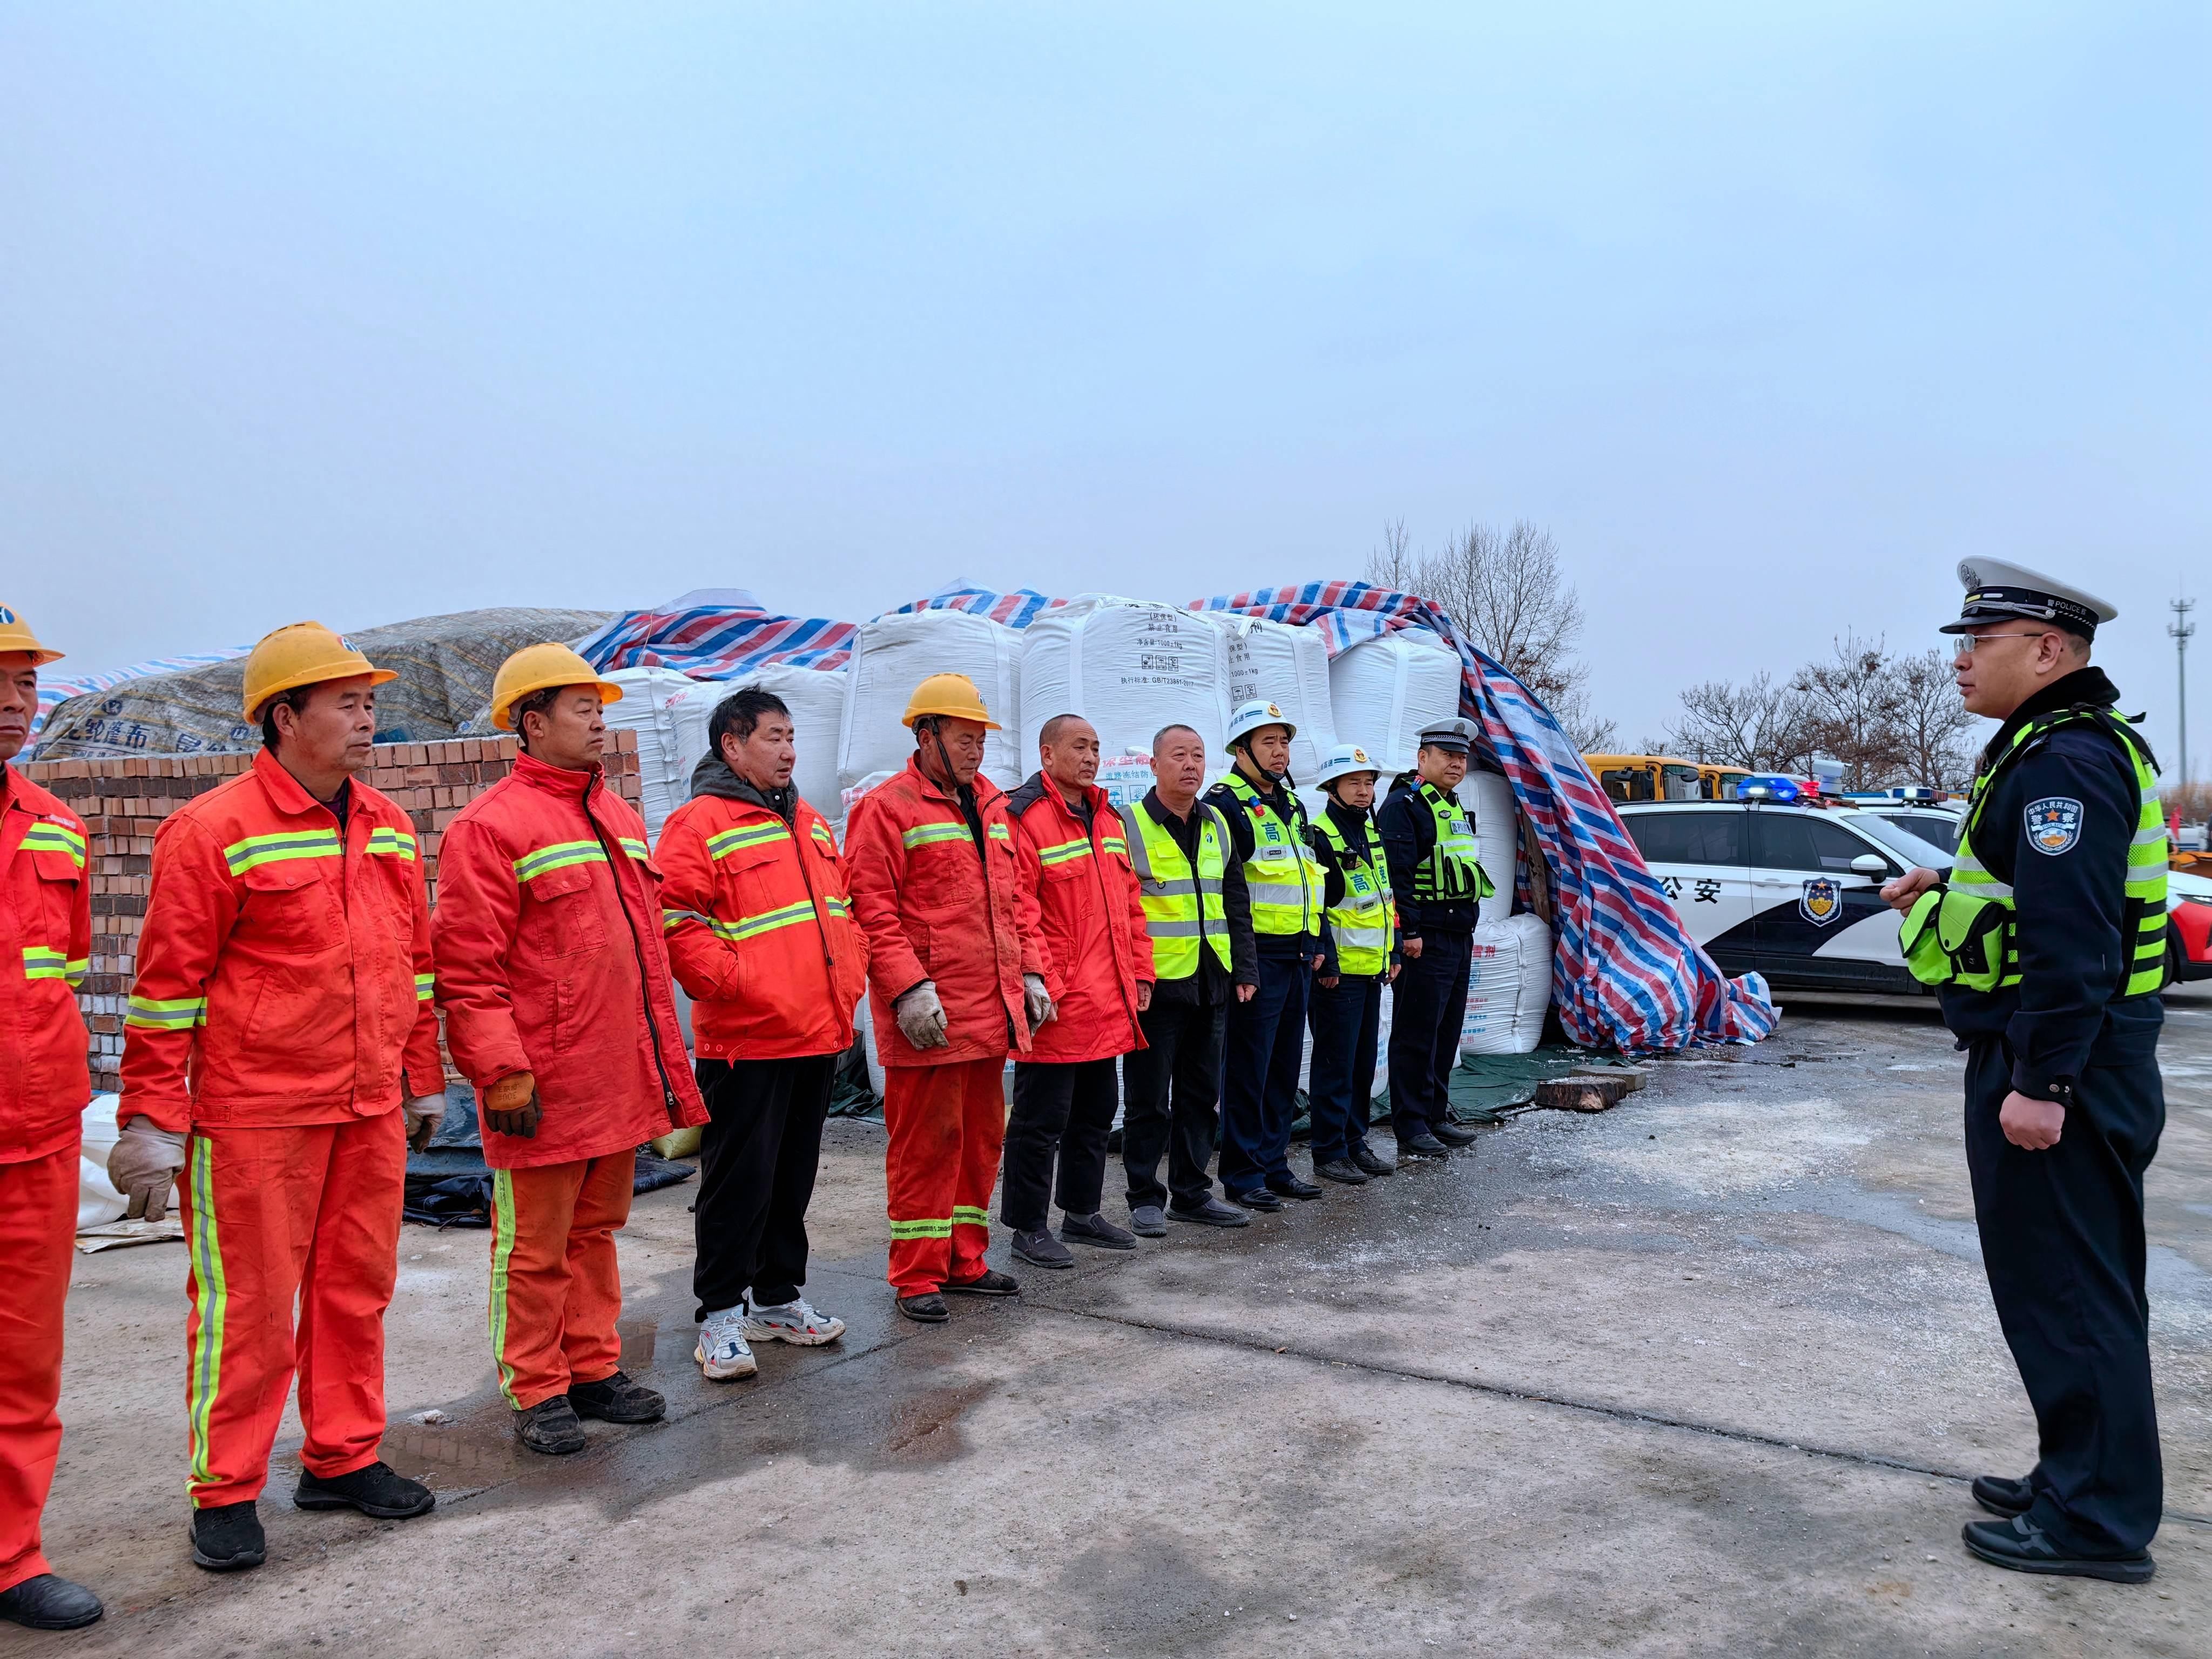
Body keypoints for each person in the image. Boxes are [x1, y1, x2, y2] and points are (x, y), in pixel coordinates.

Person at [118, 622, 447, 1573]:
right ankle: (224, 1490)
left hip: (367, 1107)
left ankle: (342, 1457)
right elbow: (166, 991)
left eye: (369, 702)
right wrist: (151, 1117)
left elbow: (413, 968)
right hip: (253, 1114)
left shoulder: (385, 823)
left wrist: (420, 1079)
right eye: (345, 703)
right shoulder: (212, 829)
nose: (366, 718)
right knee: (249, 1309)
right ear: (283, 716)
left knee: (355, 1293)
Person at [1882, 560, 2169, 1583]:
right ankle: (2072, 1472)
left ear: (2047, 651)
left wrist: (2042, 1085)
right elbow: (2026, 897)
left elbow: (2074, 942)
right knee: (2060, 1284)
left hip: (2064, 1067)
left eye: (1980, 642)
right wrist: (1941, 885)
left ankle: (2096, 1519)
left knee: (2070, 1289)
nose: (1960, 661)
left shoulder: (2067, 764)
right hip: (2059, 1053)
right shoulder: (2044, 754)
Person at [434, 644, 707, 1455]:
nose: (598, 721)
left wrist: (661, 1068)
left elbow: (645, 959)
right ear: (532, 721)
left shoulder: (617, 817)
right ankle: (537, 1386)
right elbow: (467, 969)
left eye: (600, 707)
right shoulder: (489, 829)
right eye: (581, 708)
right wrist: (504, 1075)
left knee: (595, 1231)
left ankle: (593, 1369)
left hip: (615, 1074)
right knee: (535, 1244)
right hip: (543, 1084)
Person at [658, 685, 866, 1380]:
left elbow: (840, 910)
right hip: (748, 1038)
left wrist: (851, 974)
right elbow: (677, 923)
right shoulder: (699, 822)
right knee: (737, 1183)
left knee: (791, 1177)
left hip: (815, 1029)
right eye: (773, 737)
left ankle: (777, 1299)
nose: (788, 750)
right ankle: (719, 1315)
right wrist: (743, 985)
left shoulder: (808, 821)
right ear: (732, 746)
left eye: (790, 736)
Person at [844, 673, 1050, 1323]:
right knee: (925, 1145)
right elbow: (870, 910)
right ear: (925, 734)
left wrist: (1034, 975)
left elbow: (1017, 904)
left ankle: (965, 1259)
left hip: (989, 1011)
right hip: (930, 1014)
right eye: (963, 739)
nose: (974, 752)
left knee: (980, 1139)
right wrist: (907, 990)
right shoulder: (887, 808)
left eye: (980, 740)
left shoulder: (991, 805)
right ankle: (916, 1274)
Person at [0, 605, 103, 1631]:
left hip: (35, 1135)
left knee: (23, 1364)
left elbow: (60, 975)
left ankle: (11, 1554)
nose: (11, 704)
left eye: (25, 685)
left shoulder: (56, 825)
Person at [1000, 713, 1152, 1267]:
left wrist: (1141, 972)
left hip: (1107, 996)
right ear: (1046, 756)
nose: (1090, 758)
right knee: (1040, 1120)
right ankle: (1027, 1225)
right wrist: (1036, 980)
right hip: (1058, 1002)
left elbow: (1130, 906)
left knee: (1095, 1112)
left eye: (1096, 747)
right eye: (1078, 748)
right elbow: (1019, 909)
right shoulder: (1026, 818)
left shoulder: (1107, 817)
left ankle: (1082, 1211)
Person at [1121, 725, 1256, 1232]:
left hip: (1211, 980)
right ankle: (1143, 1196)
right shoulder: (1129, 824)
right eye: (1179, 755)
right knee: (1149, 1099)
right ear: (1154, 765)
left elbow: (1236, 902)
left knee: (1201, 1096)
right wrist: (1131, 975)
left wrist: (1244, 969)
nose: (1191, 765)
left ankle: (1192, 1192)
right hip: (1155, 986)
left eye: (1198, 755)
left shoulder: (1218, 824)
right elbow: (1118, 909)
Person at [1204, 700, 1337, 1210]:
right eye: (1268, 742)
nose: (1280, 752)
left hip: (1299, 954)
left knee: (1284, 1068)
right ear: (1242, 750)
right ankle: (1242, 1174)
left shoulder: (1292, 804)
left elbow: (1309, 880)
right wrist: (1242, 962)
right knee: (1247, 1069)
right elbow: (1228, 890)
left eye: (1284, 742)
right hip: (1257, 956)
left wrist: (1318, 942)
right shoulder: (1226, 803)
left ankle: (1275, 1164)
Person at [1377, 718, 1494, 1159]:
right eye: (1447, 756)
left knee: (1446, 1032)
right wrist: (1409, 932)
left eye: (1462, 757)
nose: (1456, 764)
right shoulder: (1404, 806)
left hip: (1457, 934)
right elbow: (1398, 876)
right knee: (1416, 1033)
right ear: (1422, 758)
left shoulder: (1451, 804)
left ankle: (1435, 1114)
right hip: (1425, 937)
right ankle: (1409, 1124)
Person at [1306, 744, 1400, 1183]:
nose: (1364, 791)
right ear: (1332, 787)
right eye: (1354, 783)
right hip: (1337, 973)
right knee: (1335, 1064)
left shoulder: (1370, 832)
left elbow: (1384, 898)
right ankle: (1328, 1151)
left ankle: (1355, 1141)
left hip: (1371, 969)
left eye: (1369, 783)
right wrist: (1326, 963)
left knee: (1362, 1063)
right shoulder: (1320, 835)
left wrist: (1394, 949)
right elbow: (1316, 906)